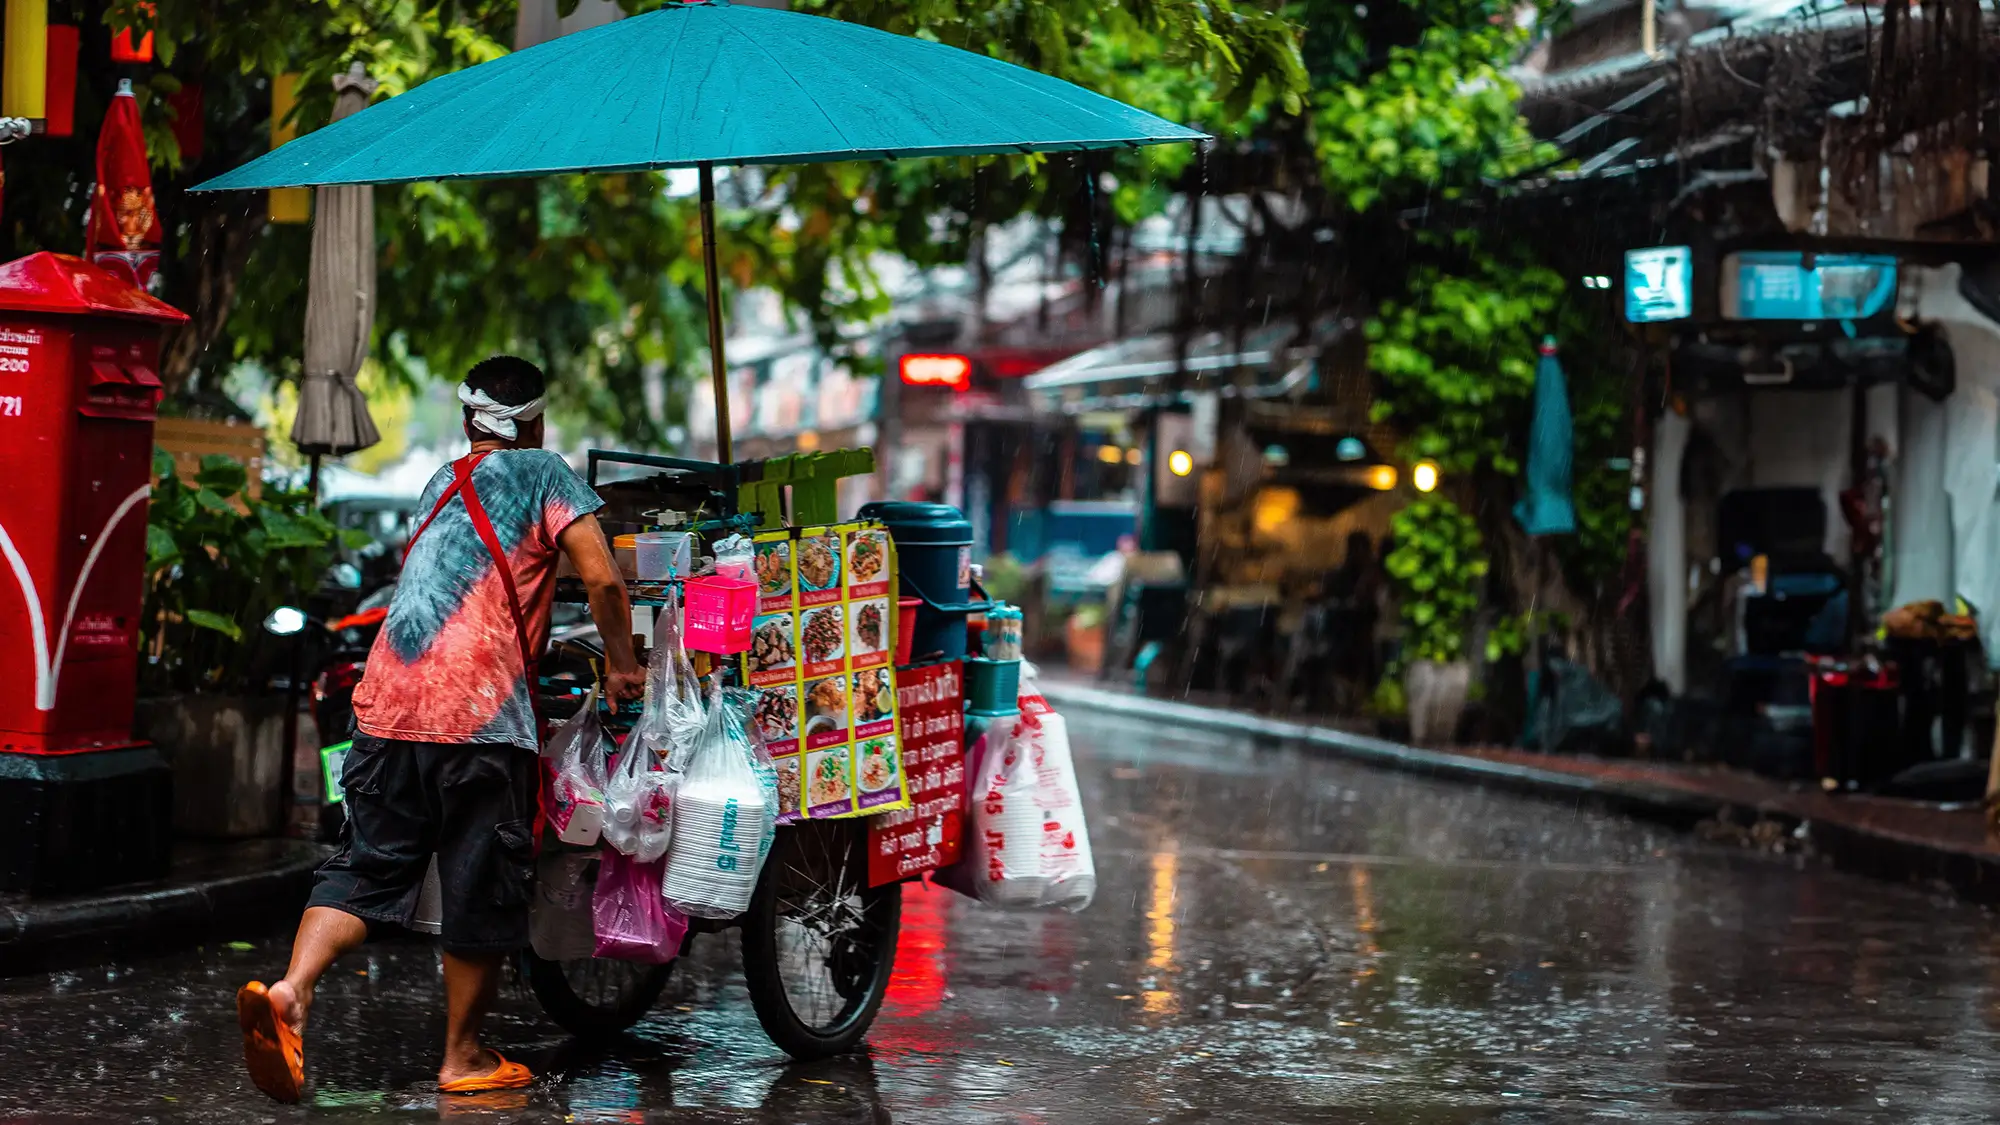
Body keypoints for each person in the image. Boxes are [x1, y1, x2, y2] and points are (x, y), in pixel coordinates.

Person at [237, 356, 645, 1102]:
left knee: (365, 865)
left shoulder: (439, 483)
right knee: (479, 884)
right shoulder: (546, 473)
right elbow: (604, 578)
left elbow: (456, 588)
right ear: (537, 423)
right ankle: (462, 1057)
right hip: (479, 717)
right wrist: (622, 664)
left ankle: (292, 988)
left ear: (465, 422)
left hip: (386, 704)